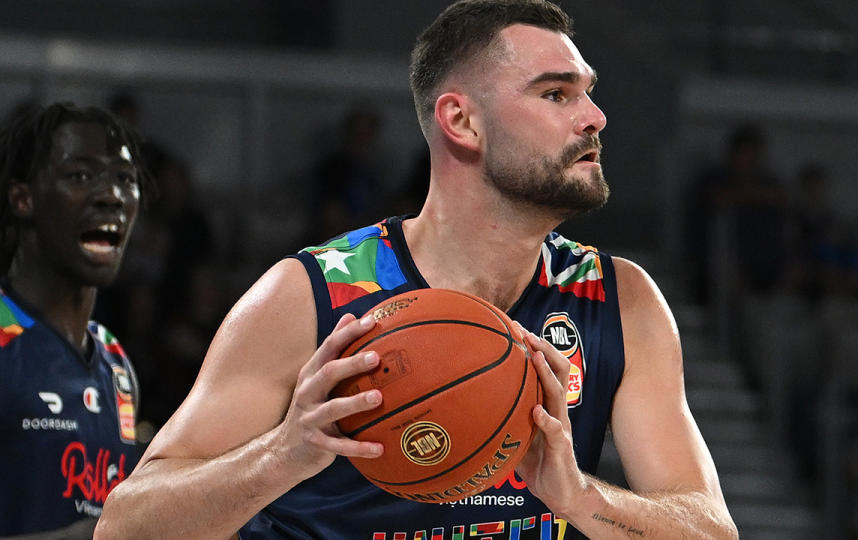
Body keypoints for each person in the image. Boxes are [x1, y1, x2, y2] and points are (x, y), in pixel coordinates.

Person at [96, 1, 737, 538]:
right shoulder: (313, 293)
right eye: (555, 94)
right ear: (461, 121)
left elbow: (711, 529)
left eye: (587, 94)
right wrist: (282, 456)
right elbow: (124, 527)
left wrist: (579, 498)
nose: (594, 117)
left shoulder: (618, 298)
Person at [0, 103, 149, 537]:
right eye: (80, 175)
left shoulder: (116, 362)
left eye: (125, 179)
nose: (111, 196)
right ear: (23, 198)